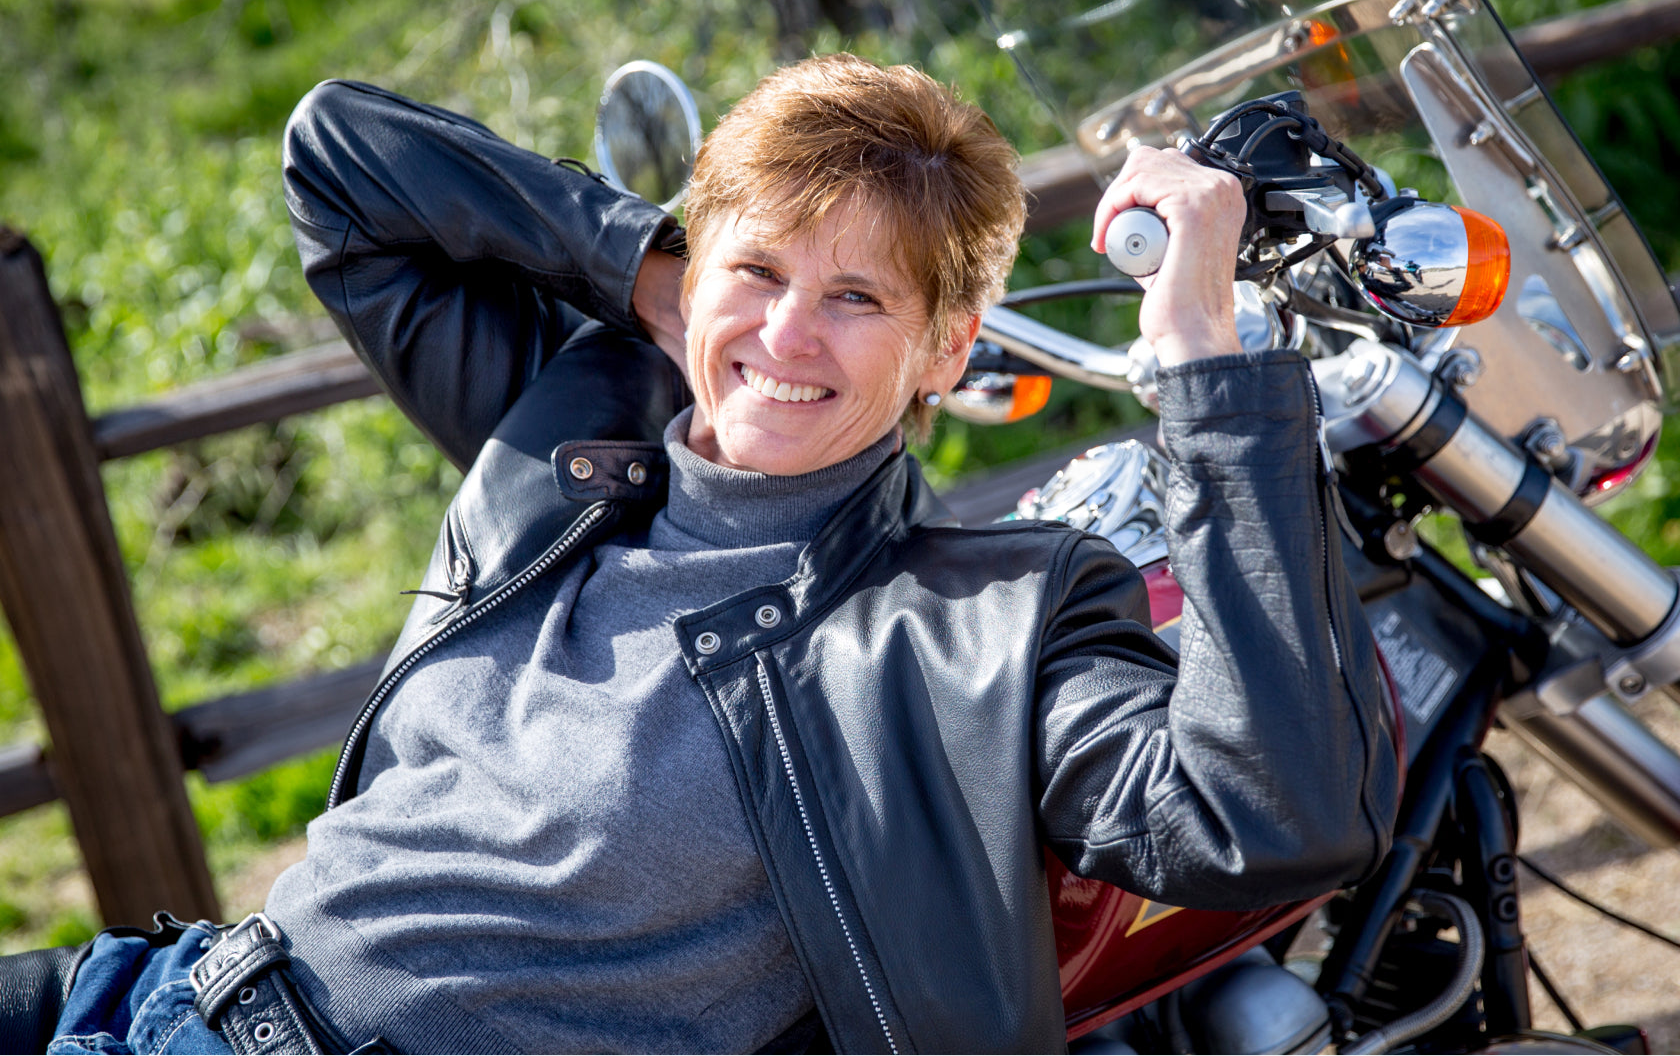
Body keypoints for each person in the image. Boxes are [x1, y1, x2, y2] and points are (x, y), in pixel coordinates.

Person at [20, 53, 1395, 1054]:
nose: (789, 340)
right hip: (153, 991)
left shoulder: (977, 620)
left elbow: (1262, 811)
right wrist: (659, 280)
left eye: (858, 297)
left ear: (946, 351)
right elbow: (341, 162)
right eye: (763, 272)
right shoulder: (571, 431)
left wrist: (1208, 352)